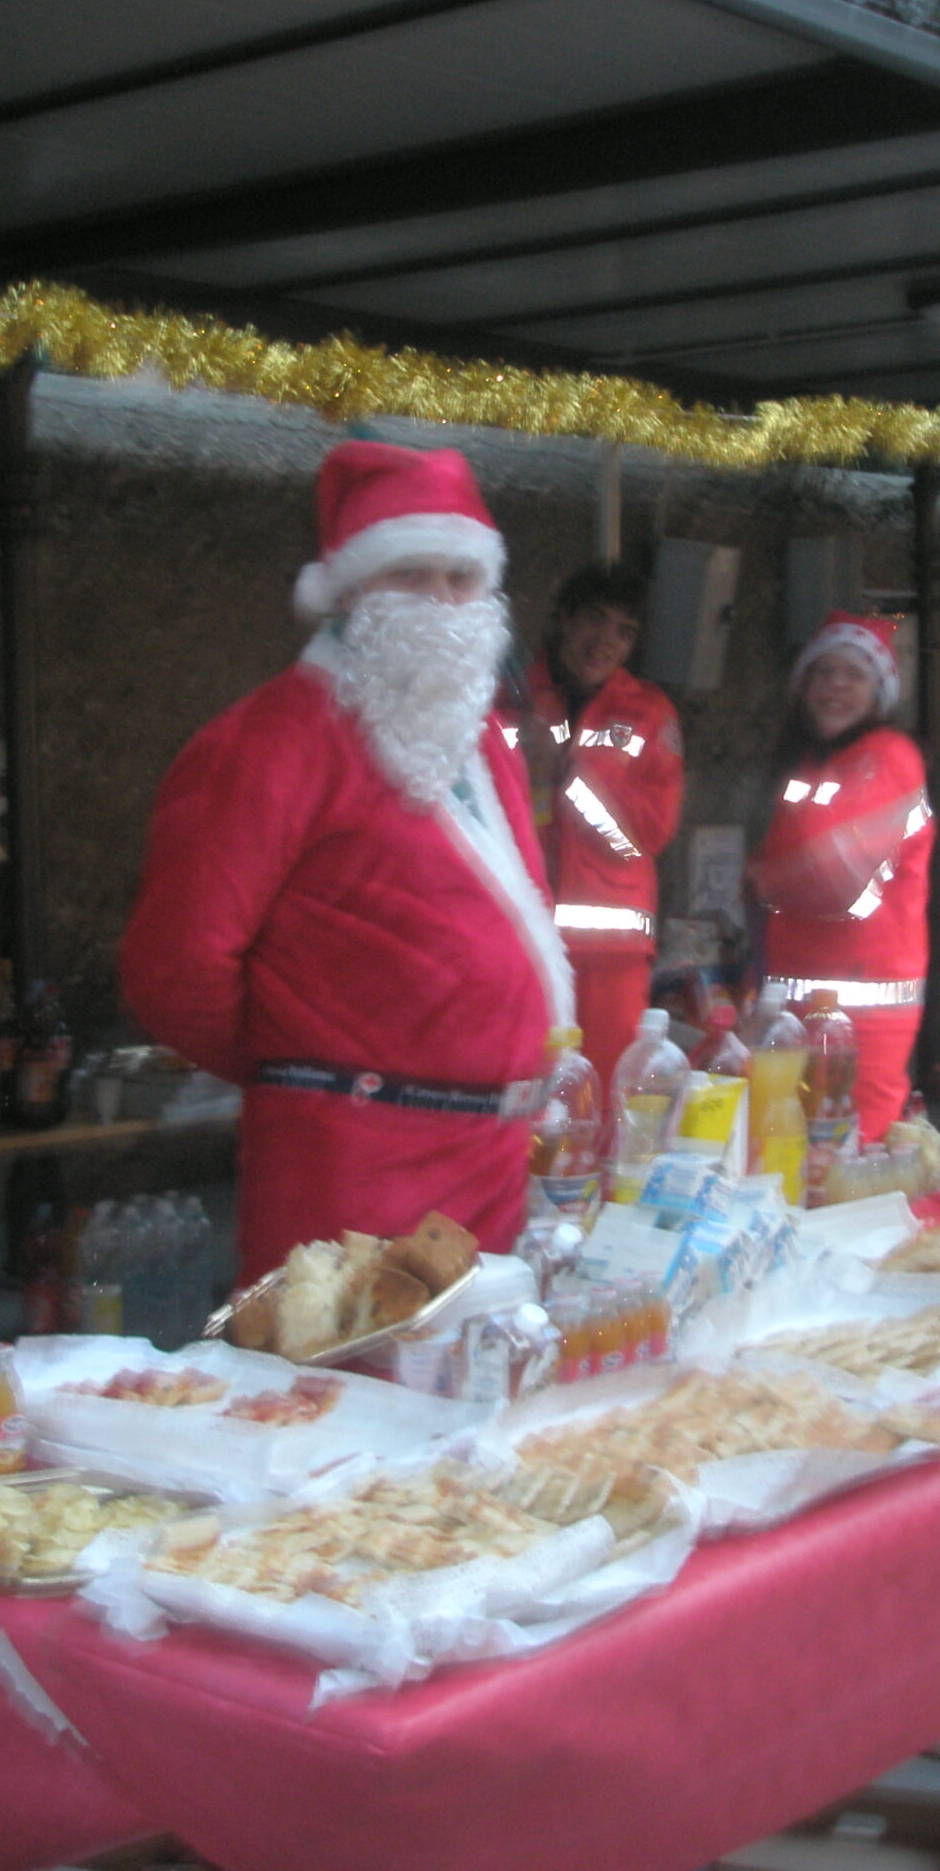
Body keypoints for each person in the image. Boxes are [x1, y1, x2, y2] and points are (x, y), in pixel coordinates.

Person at [120, 441, 573, 1284]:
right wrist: (315, 1069)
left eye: (462, 578)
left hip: (492, 1169)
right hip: (351, 1181)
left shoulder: (481, 739)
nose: (442, 600)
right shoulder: (267, 742)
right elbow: (173, 970)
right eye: (410, 573)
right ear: (351, 592)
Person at [745, 614, 933, 1140]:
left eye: (853, 675)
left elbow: (841, 874)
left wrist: (768, 881)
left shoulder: (888, 758)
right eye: (824, 673)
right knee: (791, 1150)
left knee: (853, 1148)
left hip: (861, 1013)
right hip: (799, 1003)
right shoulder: (812, 765)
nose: (835, 688)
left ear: (879, 693)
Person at [508, 558, 684, 1084]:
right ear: (562, 619)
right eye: (594, 619)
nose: (604, 640)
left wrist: (568, 775)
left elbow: (645, 836)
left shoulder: (647, 713)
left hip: (611, 957)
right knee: (522, 1100)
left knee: (605, 1103)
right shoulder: (506, 698)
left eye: (624, 631)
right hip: (519, 940)